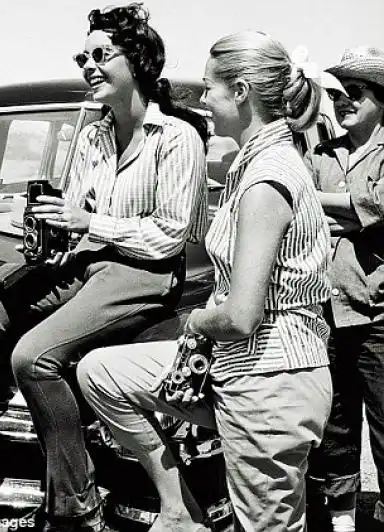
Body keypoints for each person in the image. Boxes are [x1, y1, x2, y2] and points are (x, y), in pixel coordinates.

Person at [0, 3, 209, 532]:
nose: (87, 65)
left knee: (34, 357)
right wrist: (49, 225)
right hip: (87, 263)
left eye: (98, 54)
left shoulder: (176, 138)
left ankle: (75, 503)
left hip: (145, 274)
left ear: (136, 61)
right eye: (80, 56)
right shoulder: (92, 134)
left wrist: (90, 221)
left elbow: (171, 236)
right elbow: (78, 214)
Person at [77, 31, 333, 532]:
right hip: (247, 371)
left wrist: (194, 320)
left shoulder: (266, 178)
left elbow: (240, 317)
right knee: (102, 373)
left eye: (211, 88)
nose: (203, 100)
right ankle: (180, 510)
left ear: (240, 91)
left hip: (270, 382)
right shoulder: (254, 163)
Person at [305, 46, 384, 532]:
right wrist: (348, 216)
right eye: (336, 94)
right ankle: (341, 518)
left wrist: (326, 205)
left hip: (377, 316)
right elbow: (308, 224)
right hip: (327, 313)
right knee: (333, 426)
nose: (342, 102)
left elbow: (374, 206)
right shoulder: (321, 154)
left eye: (353, 92)